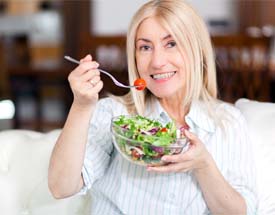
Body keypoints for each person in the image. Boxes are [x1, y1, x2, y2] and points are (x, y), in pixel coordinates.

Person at [48, 0, 258, 214]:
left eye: (171, 43)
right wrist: (82, 106)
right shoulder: (113, 114)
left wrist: (203, 165)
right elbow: (61, 187)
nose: (157, 62)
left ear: (196, 49)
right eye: (145, 47)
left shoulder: (228, 122)